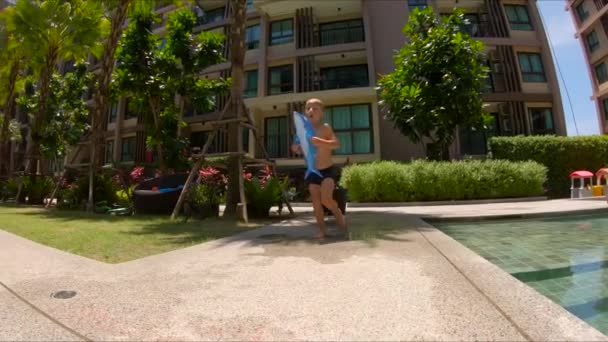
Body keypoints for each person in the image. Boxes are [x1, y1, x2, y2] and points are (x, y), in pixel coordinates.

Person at [291, 98, 348, 240]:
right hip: (312, 171)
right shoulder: (301, 132)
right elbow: (296, 148)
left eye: (315, 108)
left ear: (321, 113)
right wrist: (296, 148)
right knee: (316, 202)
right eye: (308, 108)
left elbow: (336, 144)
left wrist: (319, 141)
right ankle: (322, 231)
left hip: (327, 170)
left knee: (326, 199)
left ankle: (339, 217)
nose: (311, 110)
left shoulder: (325, 128)